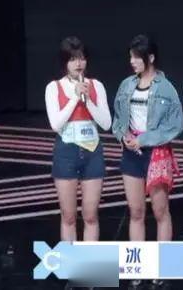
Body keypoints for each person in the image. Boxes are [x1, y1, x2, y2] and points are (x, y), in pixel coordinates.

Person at [112, 35, 183, 290]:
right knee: (136, 211)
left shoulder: (166, 88)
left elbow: (176, 124)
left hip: (156, 153)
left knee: (160, 211)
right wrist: (123, 135)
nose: (132, 61)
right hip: (131, 154)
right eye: (131, 57)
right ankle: (137, 267)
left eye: (136, 57)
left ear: (150, 58)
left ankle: (162, 266)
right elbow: (118, 118)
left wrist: (145, 140)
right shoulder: (126, 85)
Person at [45, 36, 111, 242]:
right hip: (66, 153)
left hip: (92, 153)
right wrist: (75, 97)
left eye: (81, 58)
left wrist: (88, 99)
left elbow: (106, 123)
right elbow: (56, 124)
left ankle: (88, 260)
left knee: (90, 215)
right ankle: (71, 260)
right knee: (69, 216)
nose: (78, 64)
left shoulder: (96, 85)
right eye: (73, 59)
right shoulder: (53, 87)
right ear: (65, 62)